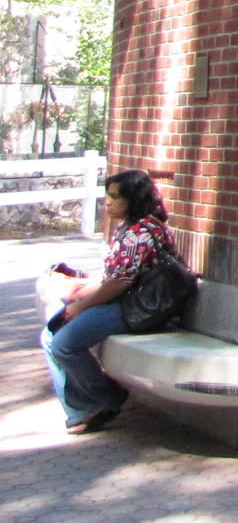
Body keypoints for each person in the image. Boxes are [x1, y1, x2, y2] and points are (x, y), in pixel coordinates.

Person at [40, 169, 177, 434]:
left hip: (135, 308)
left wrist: (80, 306)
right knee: (49, 336)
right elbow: (110, 276)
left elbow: (121, 282)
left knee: (63, 345)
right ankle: (84, 407)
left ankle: (106, 398)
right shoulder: (126, 228)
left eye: (115, 197)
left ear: (134, 198)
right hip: (118, 301)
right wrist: (78, 290)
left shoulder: (143, 232)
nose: (108, 202)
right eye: (107, 196)